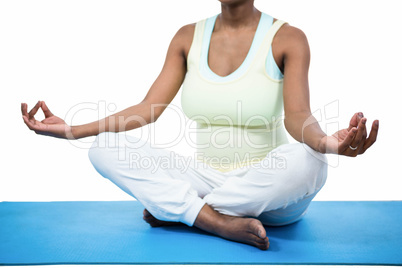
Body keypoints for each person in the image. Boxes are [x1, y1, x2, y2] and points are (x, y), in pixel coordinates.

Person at [21, 0, 379, 250]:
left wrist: (329, 144)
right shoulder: (187, 37)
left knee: (311, 161)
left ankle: (183, 211)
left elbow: (298, 116)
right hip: (203, 176)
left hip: (269, 191)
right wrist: (71, 130)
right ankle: (216, 221)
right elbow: (148, 108)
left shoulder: (288, 38)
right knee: (102, 149)